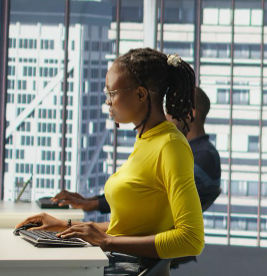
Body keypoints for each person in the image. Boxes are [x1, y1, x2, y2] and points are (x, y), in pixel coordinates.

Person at [16, 48, 205, 276]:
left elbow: (191, 239)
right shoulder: (147, 139)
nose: (108, 101)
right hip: (118, 262)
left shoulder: (170, 145)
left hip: (127, 270)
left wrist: (106, 241)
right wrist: (65, 224)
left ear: (140, 94)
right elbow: (130, 227)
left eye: (112, 92)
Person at [52, 87, 222, 213]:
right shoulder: (187, 150)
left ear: (191, 113)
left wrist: (95, 204)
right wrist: (89, 200)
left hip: (154, 243)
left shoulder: (204, 156)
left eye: (171, 108)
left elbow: (152, 196)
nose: (165, 115)